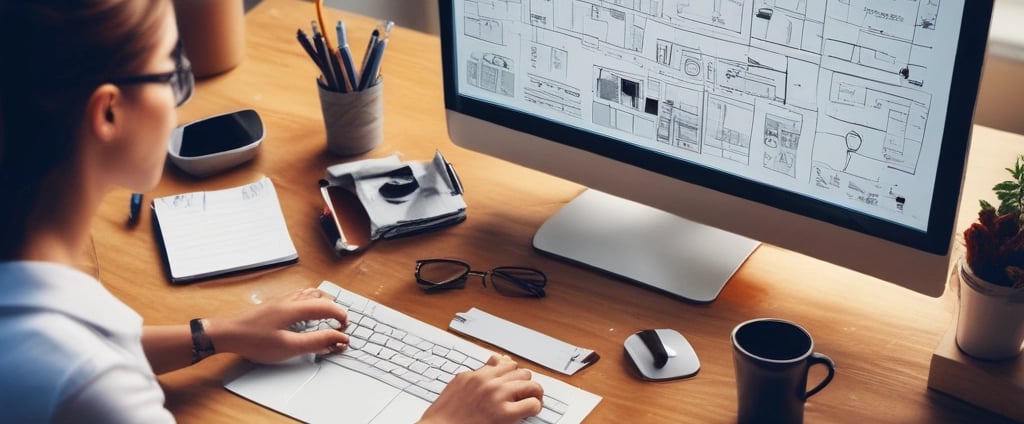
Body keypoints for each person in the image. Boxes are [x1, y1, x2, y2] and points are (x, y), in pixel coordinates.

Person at [0, 1, 543, 422]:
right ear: (110, 112)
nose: (181, 98)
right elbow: (81, 371)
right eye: (171, 71)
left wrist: (217, 333)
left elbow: (85, 344)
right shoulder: (94, 390)